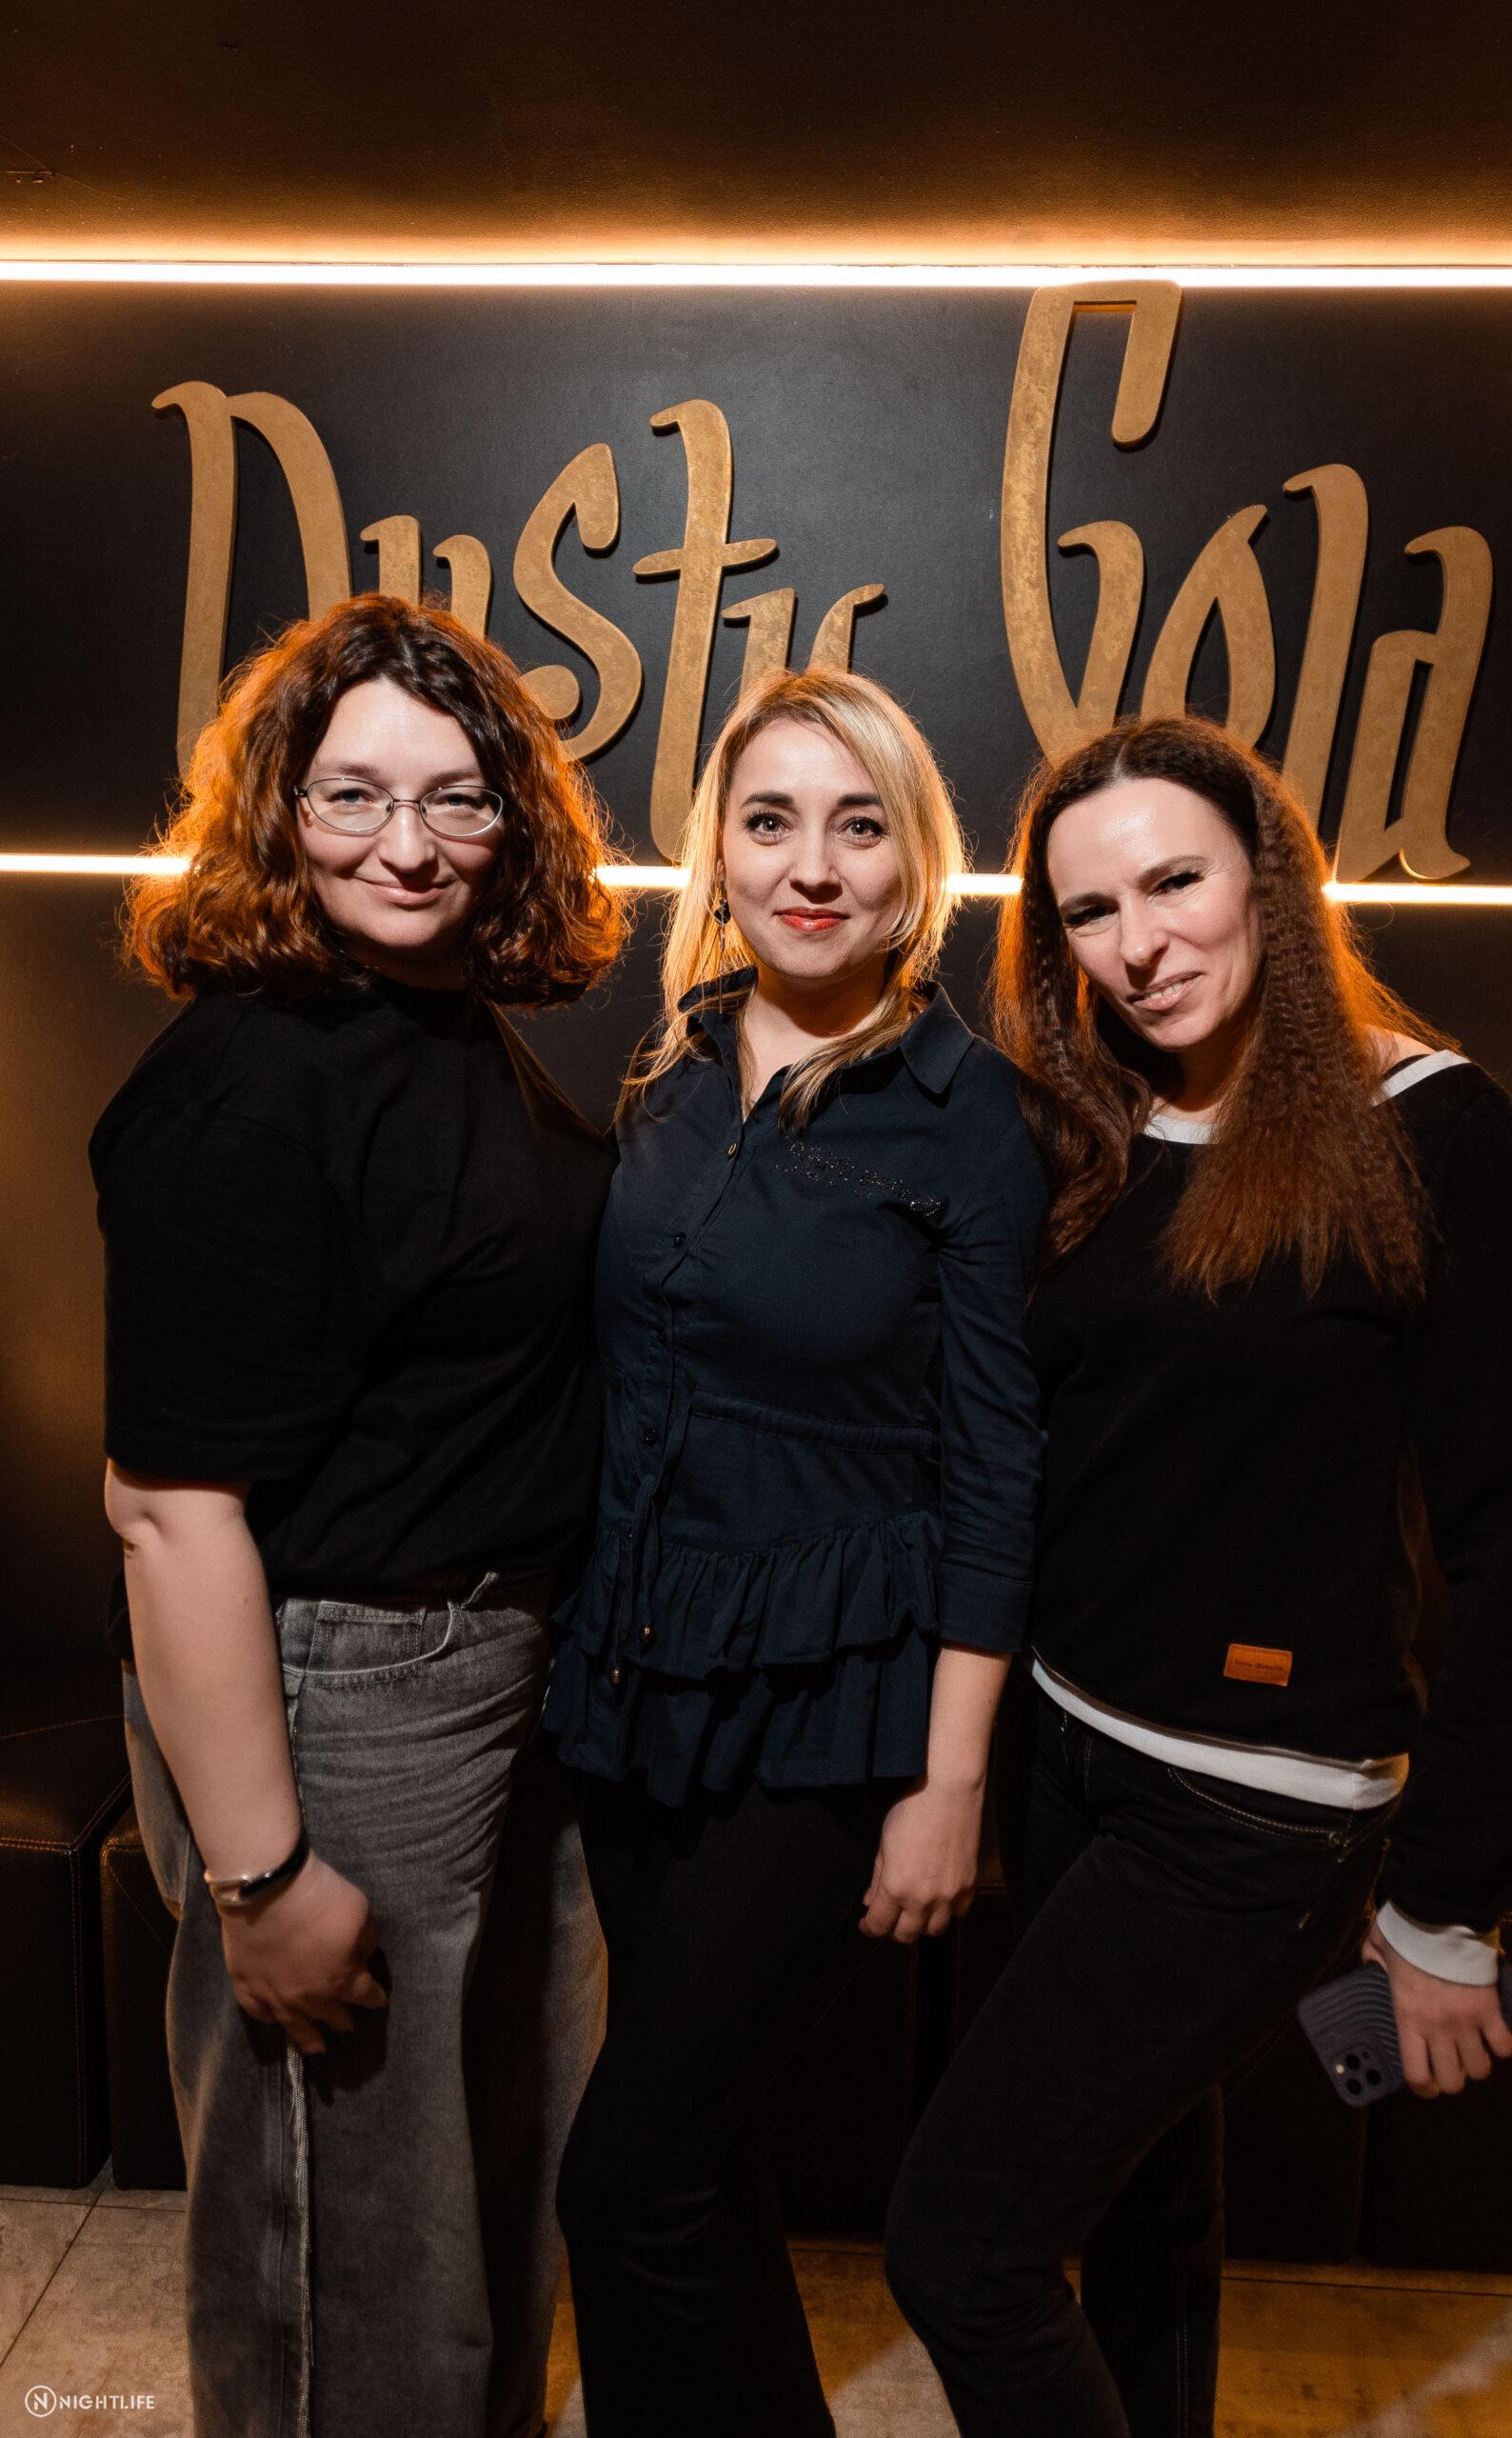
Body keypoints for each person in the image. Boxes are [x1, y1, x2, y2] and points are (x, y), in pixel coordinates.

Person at [885, 713, 1512, 2438]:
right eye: (1090, 912)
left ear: (1267, 879)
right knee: (1142, 2209)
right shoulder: (1094, 1122)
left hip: (1251, 1810)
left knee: (959, 2246)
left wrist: (1444, 1908)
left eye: (1175, 882)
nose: (1139, 944)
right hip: (1068, 1750)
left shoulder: (1431, 1131)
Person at [92, 594, 624, 2438]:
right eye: (352, 795)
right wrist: (260, 1874)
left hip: (498, 1664)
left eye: (456, 798)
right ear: (277, 813)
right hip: (340, 1687)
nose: (408, 843)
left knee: (490, 2198)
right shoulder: (246, 1082)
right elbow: (168, 1512)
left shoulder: (439, 1019)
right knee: (355, 2254)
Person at [547, 667, 1049, 2436]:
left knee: (622, 2181)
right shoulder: (672, 1068)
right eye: (769, 823)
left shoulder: (970, 1113)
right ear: (721, 851)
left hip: (836, 1709)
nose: (810, 867)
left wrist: (946, 1782)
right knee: (701, 2167)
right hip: (636, 1687)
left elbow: (998, 1467)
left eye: (856, 828)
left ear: (916, 865)